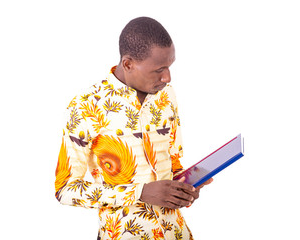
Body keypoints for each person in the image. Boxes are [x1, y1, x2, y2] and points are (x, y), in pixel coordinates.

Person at [55, 16, 212, 240]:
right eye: (159, 69)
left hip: (177, 233)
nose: (167, 77)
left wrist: (185, 186)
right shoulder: (86, 106)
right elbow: (66, 190)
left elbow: (173, 162)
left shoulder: (167, 96)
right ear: (128, 64)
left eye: (169, 66)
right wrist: (140, 193)